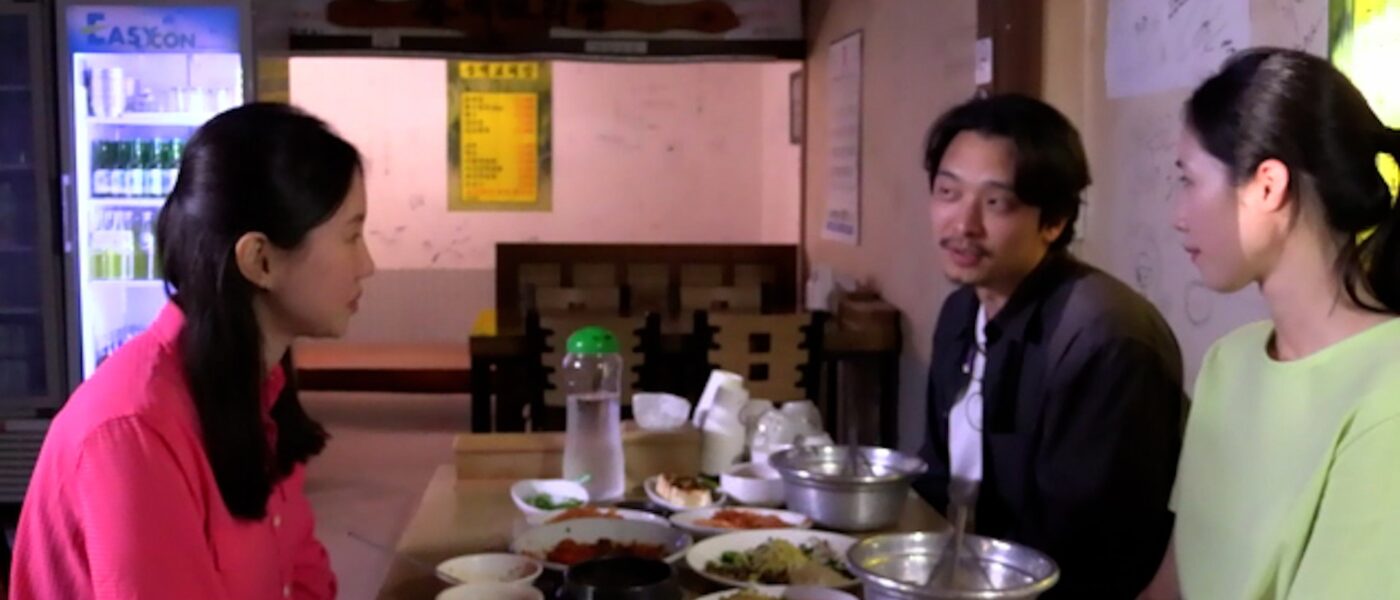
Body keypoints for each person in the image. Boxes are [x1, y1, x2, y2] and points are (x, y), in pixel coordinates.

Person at [11, 103, 375, 599]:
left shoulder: (259, 386)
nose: (367, 265)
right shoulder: (136, 431)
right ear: (260, 260)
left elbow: (303, 577)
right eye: (352, 236)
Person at [1142, 47, 1400, 600]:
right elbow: (1174, 582)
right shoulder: (1227, 362)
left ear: (1267, 185)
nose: (1178, 215)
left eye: (1189, 181)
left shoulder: (1389, 393)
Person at [912, 94, 1186, 598]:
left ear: (1054, 221)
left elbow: (1087, 556)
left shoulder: (1105, 337)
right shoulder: (961, 311)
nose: (963, 224)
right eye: (948, 192)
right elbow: (936, 478)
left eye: (995, 203)